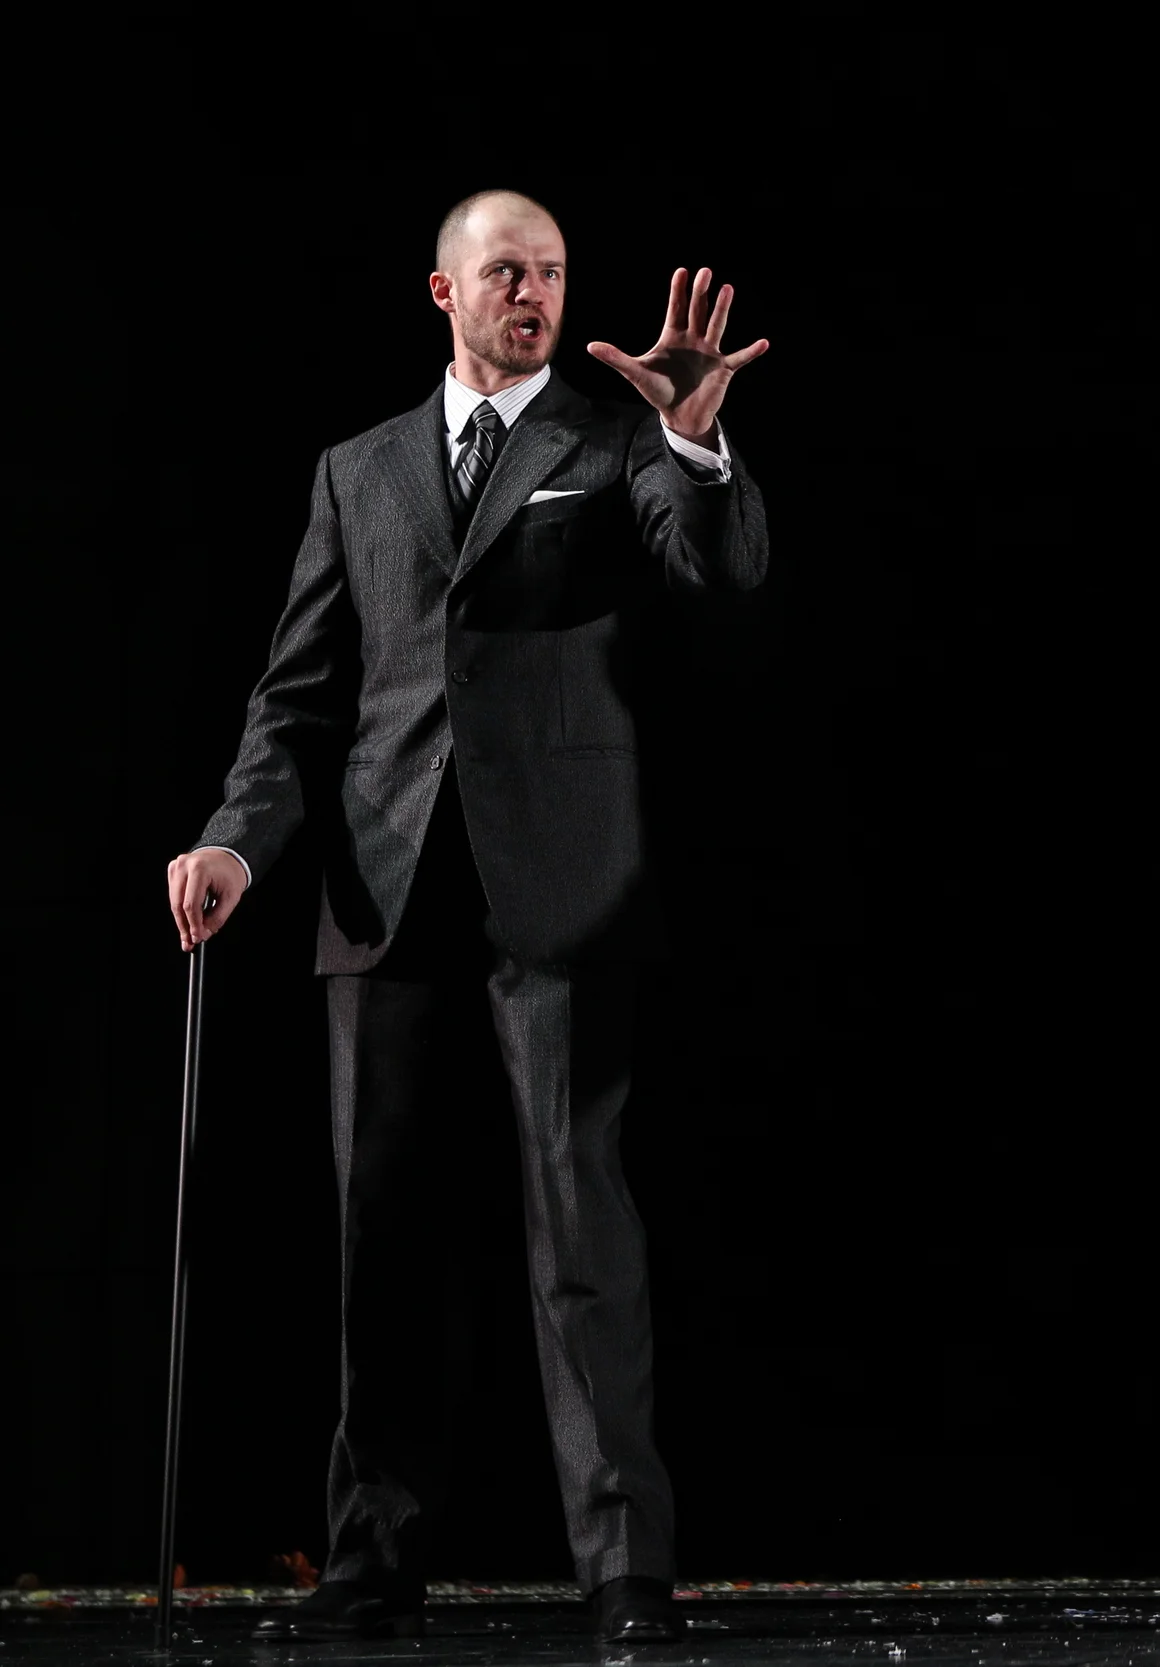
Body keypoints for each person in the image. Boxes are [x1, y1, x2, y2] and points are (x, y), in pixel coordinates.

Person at [163, 189, 771, 1644]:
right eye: (508, 270)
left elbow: (719, 571)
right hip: (385, 895)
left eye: (553, 272)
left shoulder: (615, 438)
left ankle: (626, 1567)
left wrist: (691, 438)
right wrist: (236, 840)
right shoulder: (357, 469)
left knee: (579, 1230)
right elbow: (300, 694)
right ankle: (374, 1554)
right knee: (383, 1236)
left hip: (559, 891)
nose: (536, 293)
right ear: (444, 292)